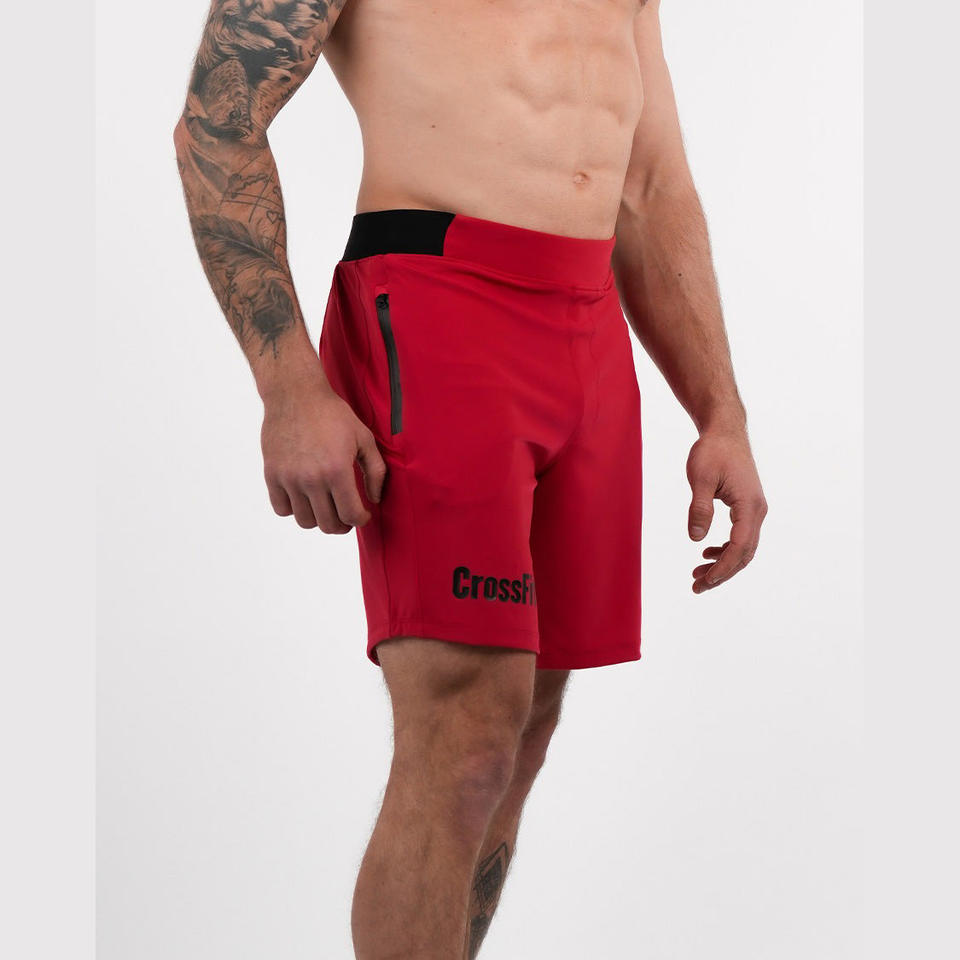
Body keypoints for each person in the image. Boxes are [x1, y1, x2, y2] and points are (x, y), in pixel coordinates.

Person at [174, 0, 767, 955]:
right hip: (437, 296)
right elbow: (220, 119)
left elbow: (649, 185)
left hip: (586, 322)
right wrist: (288, 385)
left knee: (521, 735)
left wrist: (720, 412)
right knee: (466, 732)